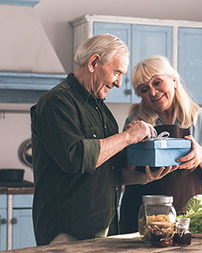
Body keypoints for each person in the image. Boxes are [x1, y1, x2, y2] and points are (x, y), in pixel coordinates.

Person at [31, 35, 176, 246]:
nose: (118, 82)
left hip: (104, 231)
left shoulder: (102, 111)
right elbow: (77, 157)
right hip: (66, 234)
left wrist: (142, 178)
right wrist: (127, 137)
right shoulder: (56, 102)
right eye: (116, 72)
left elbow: (107, 173)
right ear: (93, 63)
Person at [119, 55, 202, 233]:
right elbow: (122, 175)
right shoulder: (135, 121)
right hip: (142, 221)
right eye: (144, 89)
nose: (152, 92)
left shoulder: (200, 120)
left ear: (174, 80)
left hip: (186, 221)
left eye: (157, 82)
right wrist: (132, 140)